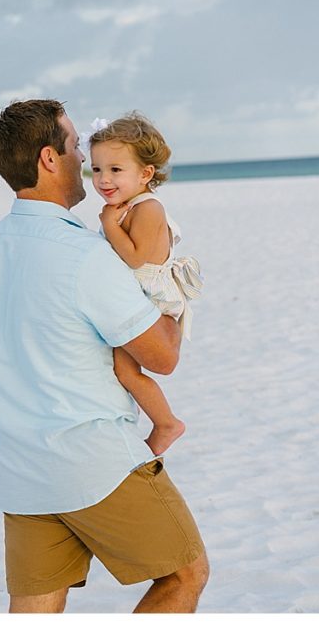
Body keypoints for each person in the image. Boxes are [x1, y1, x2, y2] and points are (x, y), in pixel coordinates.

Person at [0, 100, 208, 613]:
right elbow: (162, 358)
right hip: (96, 464)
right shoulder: (85, 254)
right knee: (185, 574)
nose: (83, 160)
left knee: (36, 606)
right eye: (73, 147)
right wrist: (176, 306)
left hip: (21, 474)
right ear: (49, 159)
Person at [89, 112, 203, 456]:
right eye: (96, 169)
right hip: (138, 294)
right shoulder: (130, 203)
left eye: (115, 170)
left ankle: (166, 423)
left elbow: (135, 258)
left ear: (146, 173)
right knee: (119, 369)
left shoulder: (148, 208)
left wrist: (110, 226)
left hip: (152, 298)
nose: (103, 179)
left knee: (126, 371)